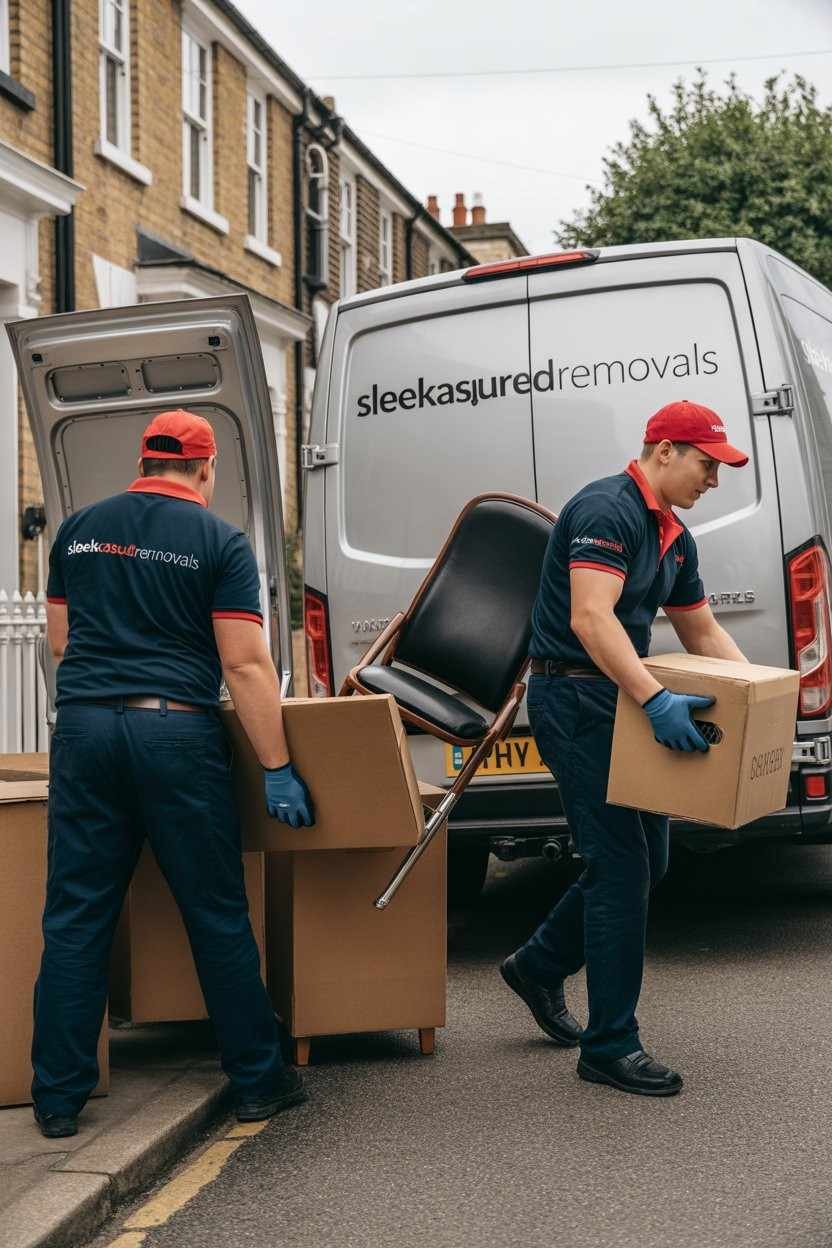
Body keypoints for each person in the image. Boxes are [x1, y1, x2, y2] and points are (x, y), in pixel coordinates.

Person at [33, 408, 314, 1139]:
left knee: (76, 913)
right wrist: (277, 766)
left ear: (145, 461)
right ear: (204, 468)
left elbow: (62, 641)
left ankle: (58, 1100)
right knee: (214, 910)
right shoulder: (218, 542)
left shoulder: (79, 529)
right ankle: (258, 1080)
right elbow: (245, 663)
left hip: (87, 727)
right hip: (175, 732)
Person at [500, 400, 749, 1097]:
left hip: (618, 699)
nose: (712, 480)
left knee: (651, 859)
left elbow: (703, 636)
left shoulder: (673, 535)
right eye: (707, 464)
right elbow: (589, 617)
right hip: (575, 700)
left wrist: (759, 701)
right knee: (619, 865)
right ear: (664, 451)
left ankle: (540, 965)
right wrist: (655, 699)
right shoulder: (607, 510)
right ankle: (610, 1045)